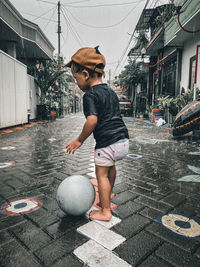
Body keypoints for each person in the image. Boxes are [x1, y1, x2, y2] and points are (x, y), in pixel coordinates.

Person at [65, 46, 129, 221]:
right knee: (111, 168)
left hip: (107, 142)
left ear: (85, 74)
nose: (77, 83)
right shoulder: (110, 91)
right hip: (123, 141)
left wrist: (79, 140)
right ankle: (107, 195)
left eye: (76, 78)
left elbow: (92, 120)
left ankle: (105, 211)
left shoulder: (90, 95)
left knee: (101, 174)